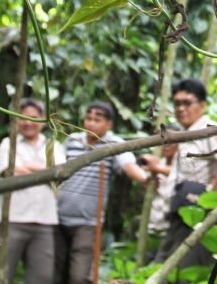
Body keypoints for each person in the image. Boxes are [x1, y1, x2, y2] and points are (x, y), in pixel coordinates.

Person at [54, 102, 150, 284]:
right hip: (58, 217)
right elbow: (55, 167)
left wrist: (145, 180)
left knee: (79, 276)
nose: (91, 123)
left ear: (109, 124)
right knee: (56, 272)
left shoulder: (112, 144)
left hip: (88, 222)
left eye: (97, 120)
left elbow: (128, 165)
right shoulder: (72, 140)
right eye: (88, 118)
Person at [150, 78, 217, 269]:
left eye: (187, 103)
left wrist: (211, 190)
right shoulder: (185, 133)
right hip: (181, 209)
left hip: (198, 211)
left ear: (202, 105)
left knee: (185, 268)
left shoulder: (208, 130)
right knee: (168, 267)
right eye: (177, 104)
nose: (181, 108)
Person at [0, 98, 64, 284]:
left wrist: (26, 168)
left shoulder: (54, 146)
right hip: (11, 219)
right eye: (22, 118)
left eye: (33, 118)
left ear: (43, 119)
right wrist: (43, 171)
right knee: (1, 276)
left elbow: (58, 175)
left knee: (41, 277)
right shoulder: (8, 144)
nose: (28, 123)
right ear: (16, 120)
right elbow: (8, 172)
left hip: (44, 221)